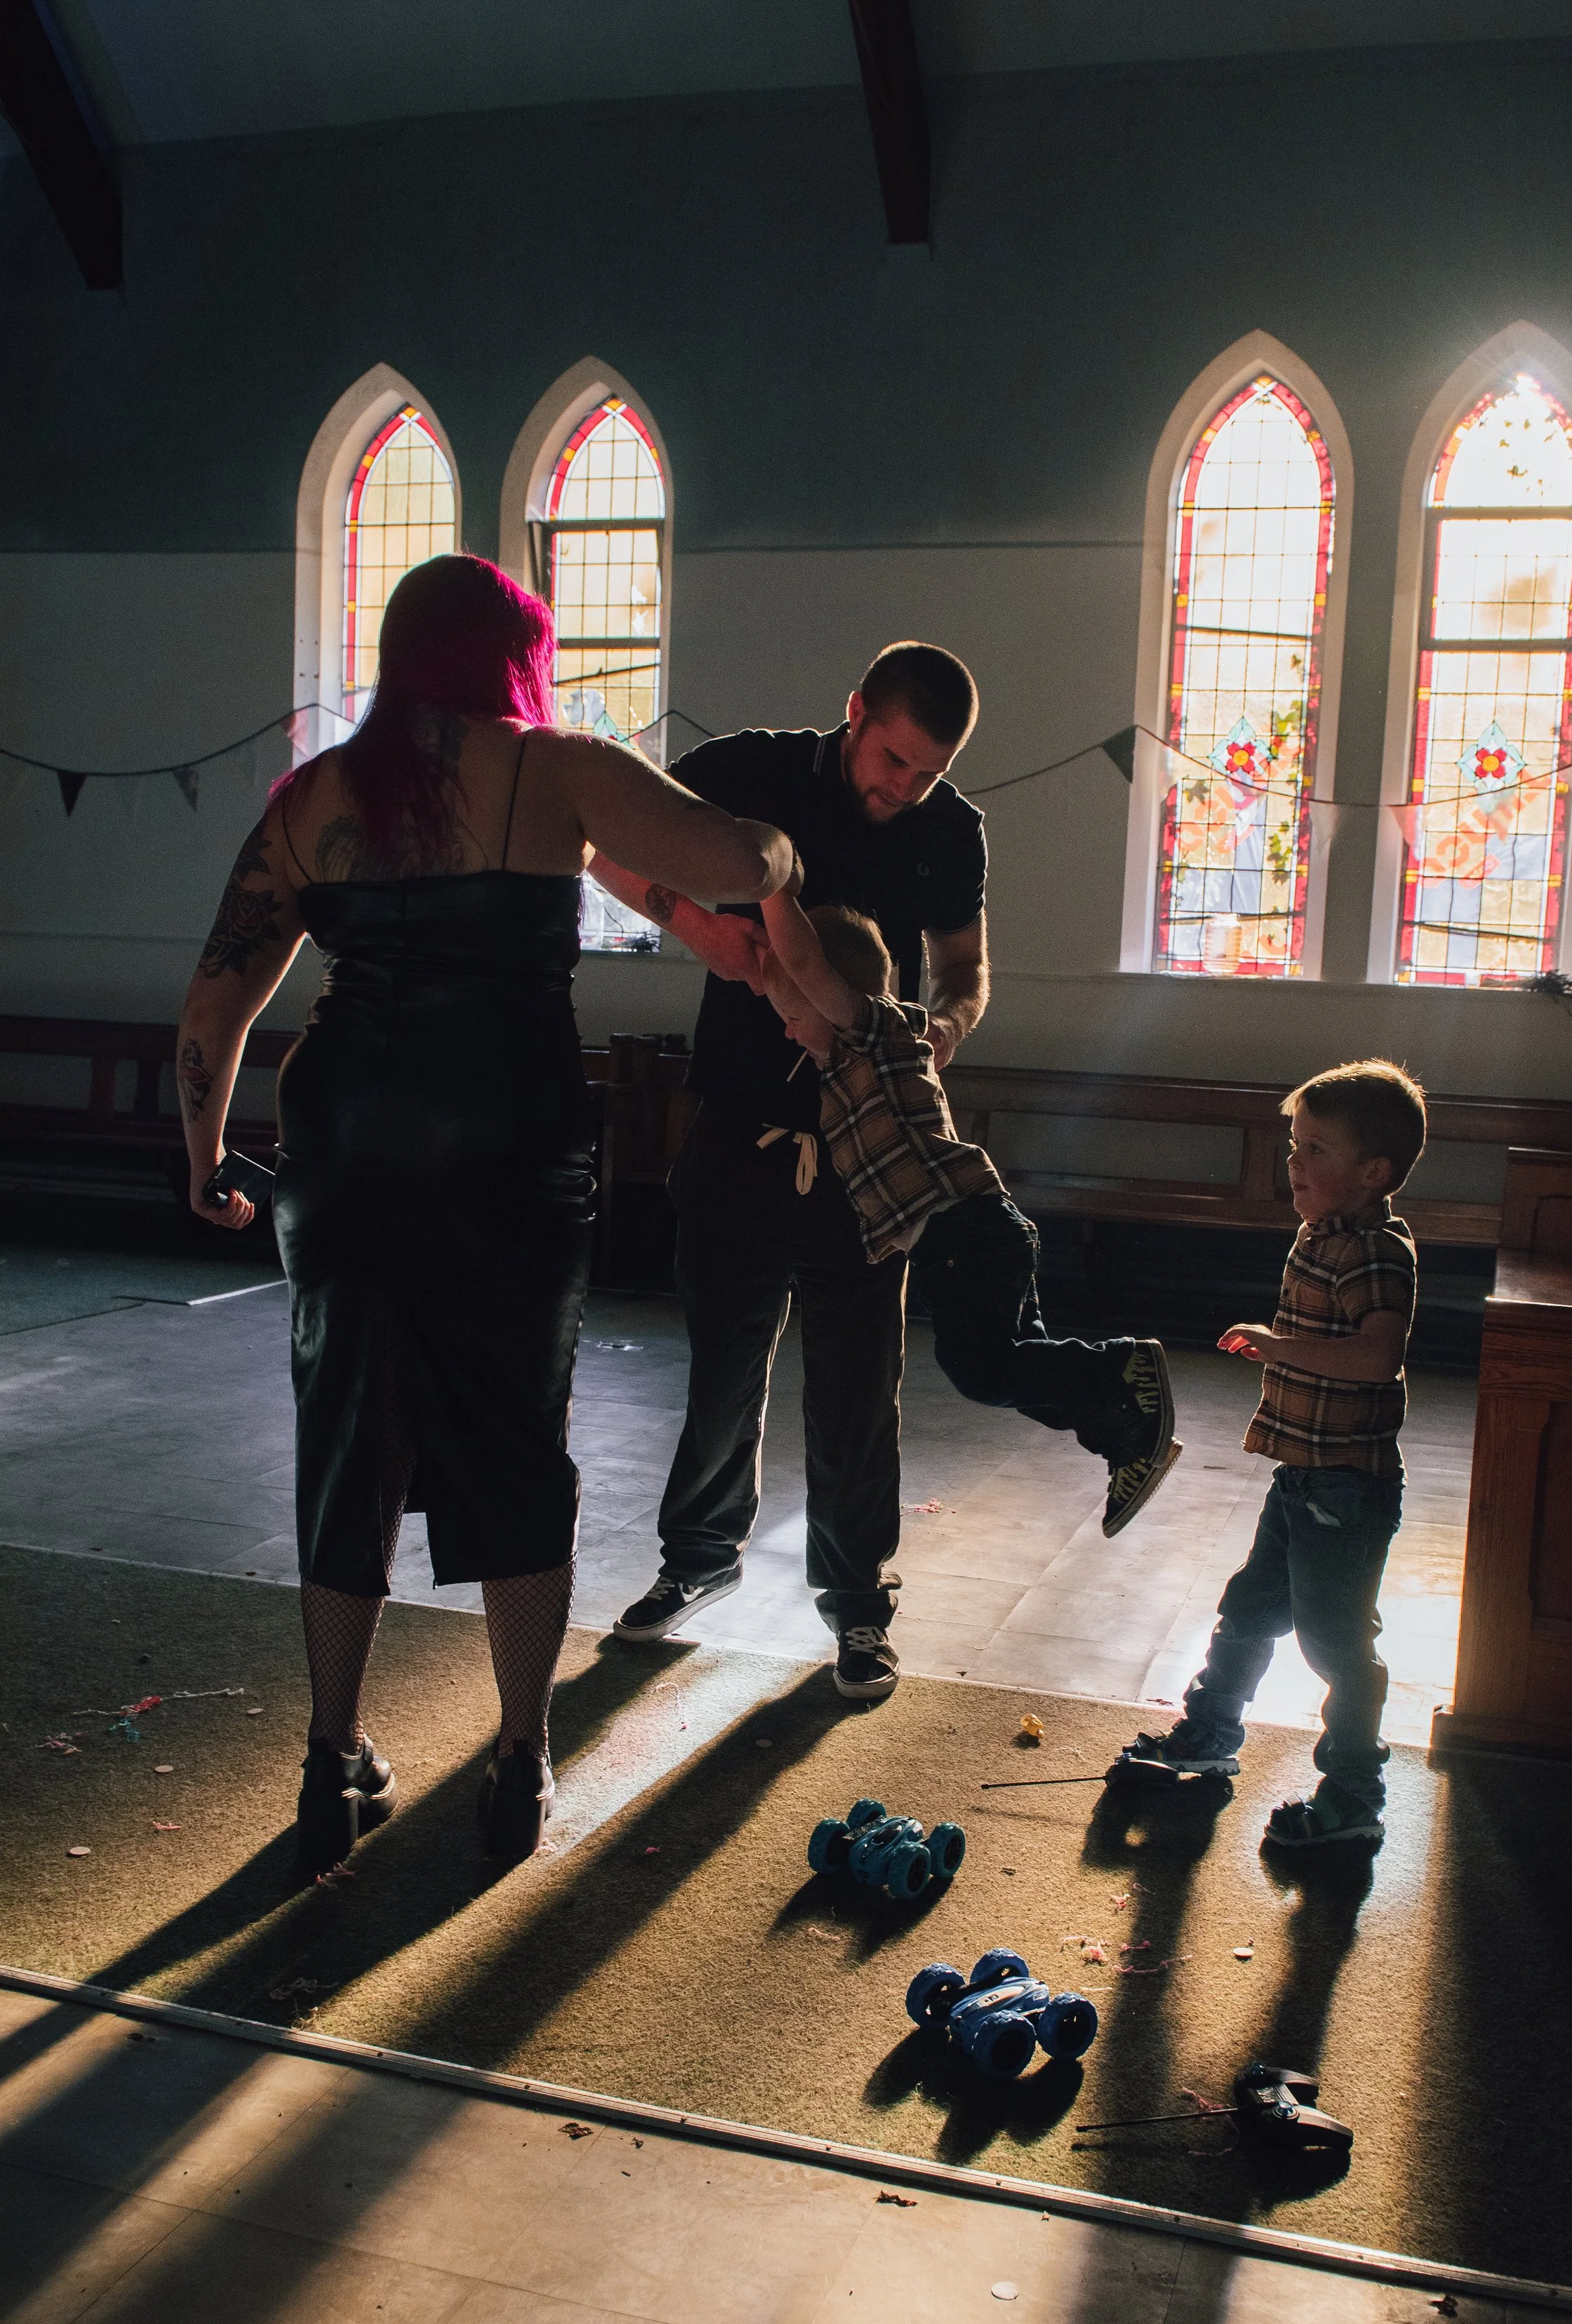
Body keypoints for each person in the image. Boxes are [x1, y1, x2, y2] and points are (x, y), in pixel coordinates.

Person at [175, 554, 794, 1872]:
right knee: (520, 1438)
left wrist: (205, 1153)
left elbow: (216, 1001)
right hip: (509, 1147)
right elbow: (734, 862)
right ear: (515, 653)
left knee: (349, 1438)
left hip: (345, 1148)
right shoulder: (555, 765)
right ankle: (521, 1757)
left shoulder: (312, 800)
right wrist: (785, 844)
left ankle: (332, 1760)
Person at [600, 643, 991, 1702]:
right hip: (737, 1125)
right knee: (724, 1363)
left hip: (864, 1134)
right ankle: (697, 1562)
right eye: (893, 757)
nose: (903, 787)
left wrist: (941, 1029)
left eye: (927, 771)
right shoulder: (751, 774)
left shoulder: (949, 831)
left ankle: (858, 1607)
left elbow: (964, 967)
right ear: (853, 711)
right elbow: (607, 840)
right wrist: (698, 930)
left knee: (859, 1385)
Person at [747, 891, 1183, 1530]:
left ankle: (1124, 1364)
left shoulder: (878, 1032)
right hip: (964, 1239)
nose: (785, 1027)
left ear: (828, 997)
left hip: (967, 1234)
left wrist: (768, 883)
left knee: (981, 1370)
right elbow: (781, 975)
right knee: (1020, 1369)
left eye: (791, 1012)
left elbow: (806, 968)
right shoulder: (838, 1062)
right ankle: (1127, 1439)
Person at [1112, 1062, 1425, 1848]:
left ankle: (1353, 1793)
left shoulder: (1377, 1251)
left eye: (1315, 1149)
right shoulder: (1321, 1232)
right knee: (1247, 1608)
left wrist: (1279, 1344)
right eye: (1293, 1145)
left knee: (1336, 1643)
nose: (1293, 1164)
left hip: (1346, 1489)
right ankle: (1209, 1736)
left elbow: (1375, 1357)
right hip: (1303, 1476)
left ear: (1372, 1172)